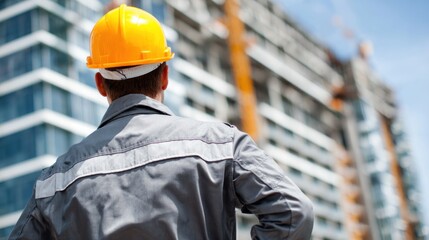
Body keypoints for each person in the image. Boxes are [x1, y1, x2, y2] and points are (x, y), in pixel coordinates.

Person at [9, 4, 313, 240]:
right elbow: (292, 214)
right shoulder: (220, 146)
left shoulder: (56, 182)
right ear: (165, 76)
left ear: (100, 84)